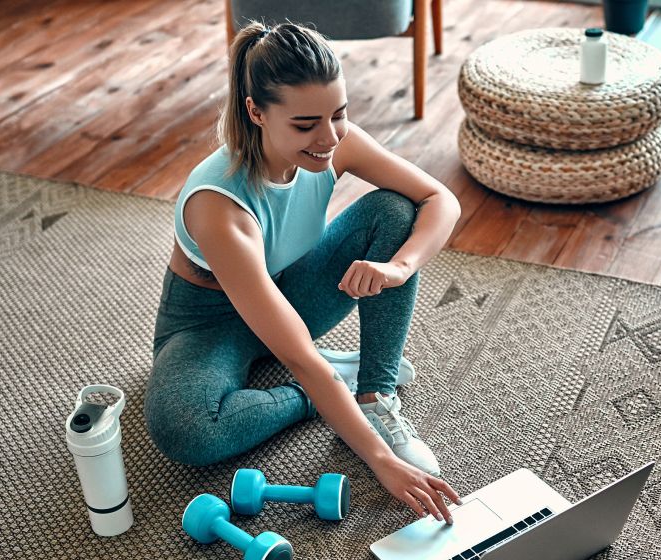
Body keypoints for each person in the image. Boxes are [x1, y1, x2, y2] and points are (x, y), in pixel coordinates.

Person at [144, 21, 463, 524]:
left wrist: (399, 268)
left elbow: (439, 198)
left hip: (288, 290)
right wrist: (379, 461)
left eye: (339, 114)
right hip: (207, 322)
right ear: (256, 111)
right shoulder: (218, 205)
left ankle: (374, 392)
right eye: (306, 124)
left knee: (394, 212)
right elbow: (298, 354)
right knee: (187, 429)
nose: (329, 137)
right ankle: (324, 392)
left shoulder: (335, 143)